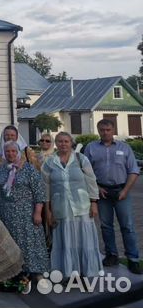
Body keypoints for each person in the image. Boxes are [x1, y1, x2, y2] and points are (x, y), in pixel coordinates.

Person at [84, 118, 141, 274]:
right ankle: (112, 255)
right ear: (98, 130)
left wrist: (125, 191)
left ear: (113, 130)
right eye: (102, 130)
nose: (105, 133)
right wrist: (97, 188)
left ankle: (133, 259)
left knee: (127, 226)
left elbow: (134, 171)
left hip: (122, 191)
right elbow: (85, 172)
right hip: (102, 192)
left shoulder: (125, 148)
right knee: (106, 226)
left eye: (108, 130)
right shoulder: (91, 148)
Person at [42, 131, 102, 278]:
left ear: (71, 143)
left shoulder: (81, 159)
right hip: (60, 208)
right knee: (65, 240)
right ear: (56, 144)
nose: (63, 144)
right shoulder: (49, 162)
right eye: (60, 141)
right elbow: (45, 187)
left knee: (84, 240)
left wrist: (94, 202)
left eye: (66, 141)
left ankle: (88, 273)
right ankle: (67, 273)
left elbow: (91, 181)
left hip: (82, 207)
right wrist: (48, 211)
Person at [0, 140, 48, 277]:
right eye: (8, 151)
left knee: (30, 242)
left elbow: (39, 193)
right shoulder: (2, 170)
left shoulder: (29, 169)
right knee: (11, 243)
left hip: (26, 213)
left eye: (13, 151)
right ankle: (16, 272)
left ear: (19, 153)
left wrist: (38, 213)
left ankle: (36, 272)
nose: (10, 154)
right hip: (7, 213)